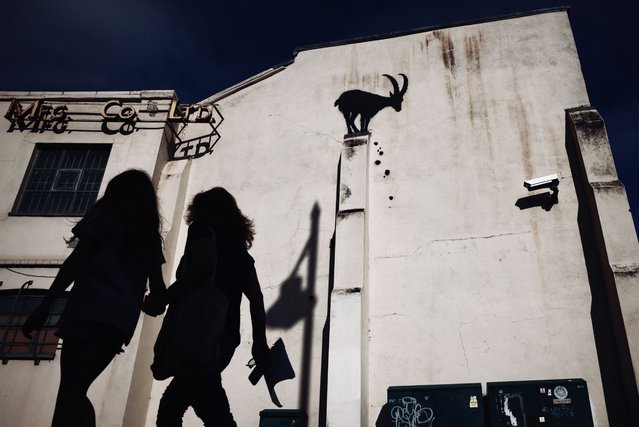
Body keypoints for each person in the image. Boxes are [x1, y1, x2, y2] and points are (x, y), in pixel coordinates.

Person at [21, 169, 166, 427]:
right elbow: (158, 292)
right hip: (118, 323)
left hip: (88, 311)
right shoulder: (149, 236)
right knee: (77, 391)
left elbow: (75, 262)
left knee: (70, 392)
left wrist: (45, 305)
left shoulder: (105, 217)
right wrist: (143, 301)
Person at [148, 187, 269, 427]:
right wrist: (259, 343)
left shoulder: (201, 230)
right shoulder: (240, 253)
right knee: (192, 404)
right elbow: (256, 298)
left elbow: (202, 266)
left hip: (197, 334)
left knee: (187, 409)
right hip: (223, 340)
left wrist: (164, 298)